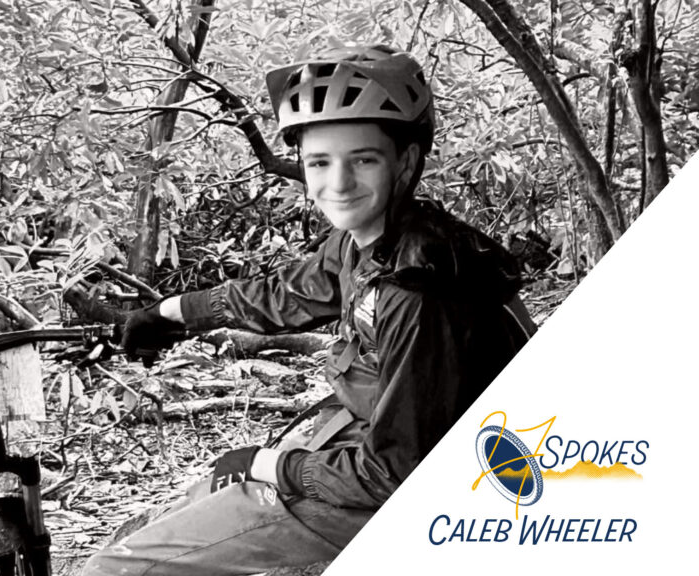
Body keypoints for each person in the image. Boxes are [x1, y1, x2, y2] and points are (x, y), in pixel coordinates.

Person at [82, 44, 535, 576]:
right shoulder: (372, 240)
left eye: (362, 159)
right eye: (320, 162)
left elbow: (393, 474)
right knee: (173, 514)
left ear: (405, 161)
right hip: (369, 441)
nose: (337, 184)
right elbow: (286, 294)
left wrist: (269, 464)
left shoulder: (421, 294)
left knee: (115, 568)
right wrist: (169, 313)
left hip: (426, 490)